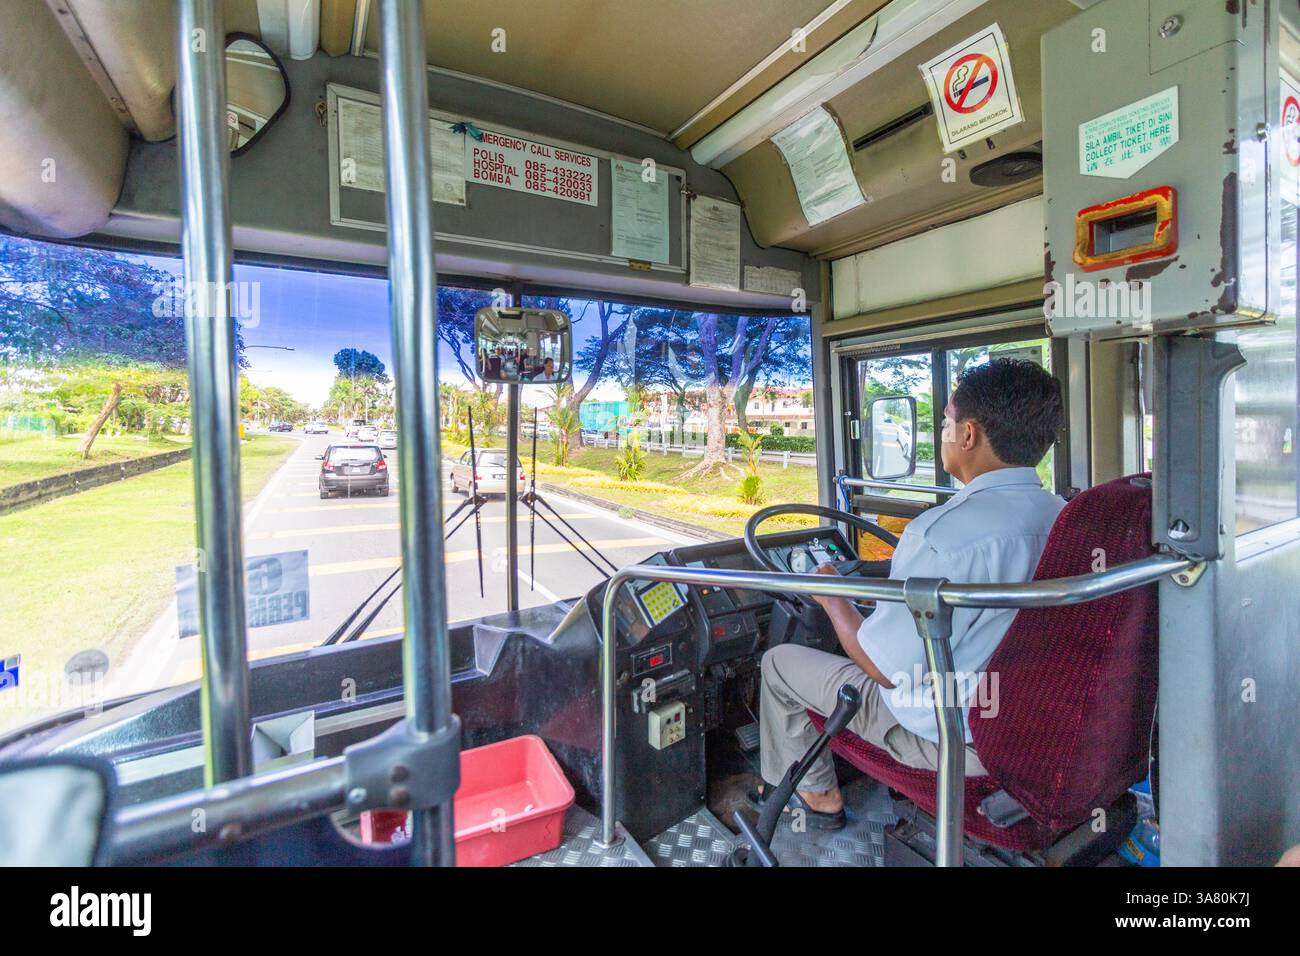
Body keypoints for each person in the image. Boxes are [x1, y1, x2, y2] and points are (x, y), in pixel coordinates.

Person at [757, 359, 1066, 829]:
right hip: (1027, 723)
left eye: (945, 421)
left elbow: (882, 669)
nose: (941, 431)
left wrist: (833, 598)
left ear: (968, 435)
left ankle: (818, 798)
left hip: (950, 736)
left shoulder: (939, 535)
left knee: (777, 663)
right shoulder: (1062, 517)